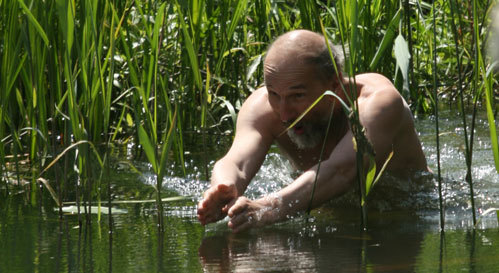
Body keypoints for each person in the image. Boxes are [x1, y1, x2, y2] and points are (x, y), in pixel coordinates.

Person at [197, 29, 428, 233]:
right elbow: (235, 161)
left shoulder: (379, 103)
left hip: (403, 217)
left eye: (298, 96)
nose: (284, 114)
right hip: (328, 214)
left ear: (335, 84)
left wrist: (267, 208)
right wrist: (224, 189)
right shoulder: (263, 107)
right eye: (274, 94)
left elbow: (343, 170)